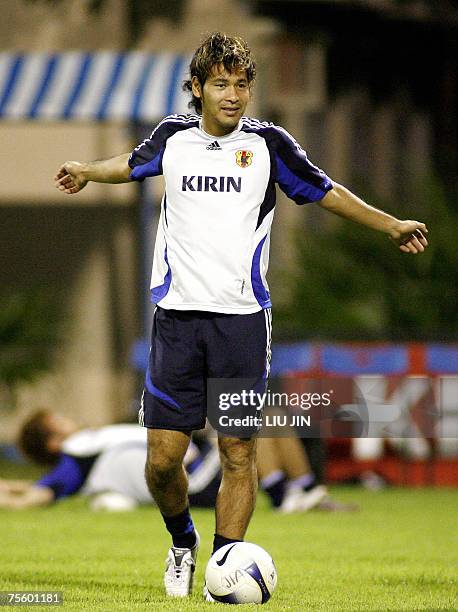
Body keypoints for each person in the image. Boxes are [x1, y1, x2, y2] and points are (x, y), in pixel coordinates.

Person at [53, 32, 428, 599]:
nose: (233, 94)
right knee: (162, 462)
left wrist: (390, 223)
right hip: (177, 321)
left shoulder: (271, 144)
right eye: (221, 83)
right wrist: (84, 169)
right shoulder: (173, 139)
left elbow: (327, 192)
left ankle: (225, 566)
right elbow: (128, 164)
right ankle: (183, 541)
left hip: (242, 324)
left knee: (238, 449)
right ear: (199, 88)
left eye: (242, 83)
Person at [0, 410, 221, 511]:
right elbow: (42, 494)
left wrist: (10, 487)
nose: (67, 417)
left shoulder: (86, 452)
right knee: (243, 430)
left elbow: (44, 486)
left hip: (194, 477)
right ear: (53, 443)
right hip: (196, 484)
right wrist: (10, 501)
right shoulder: (77, 454)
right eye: (57, 420)